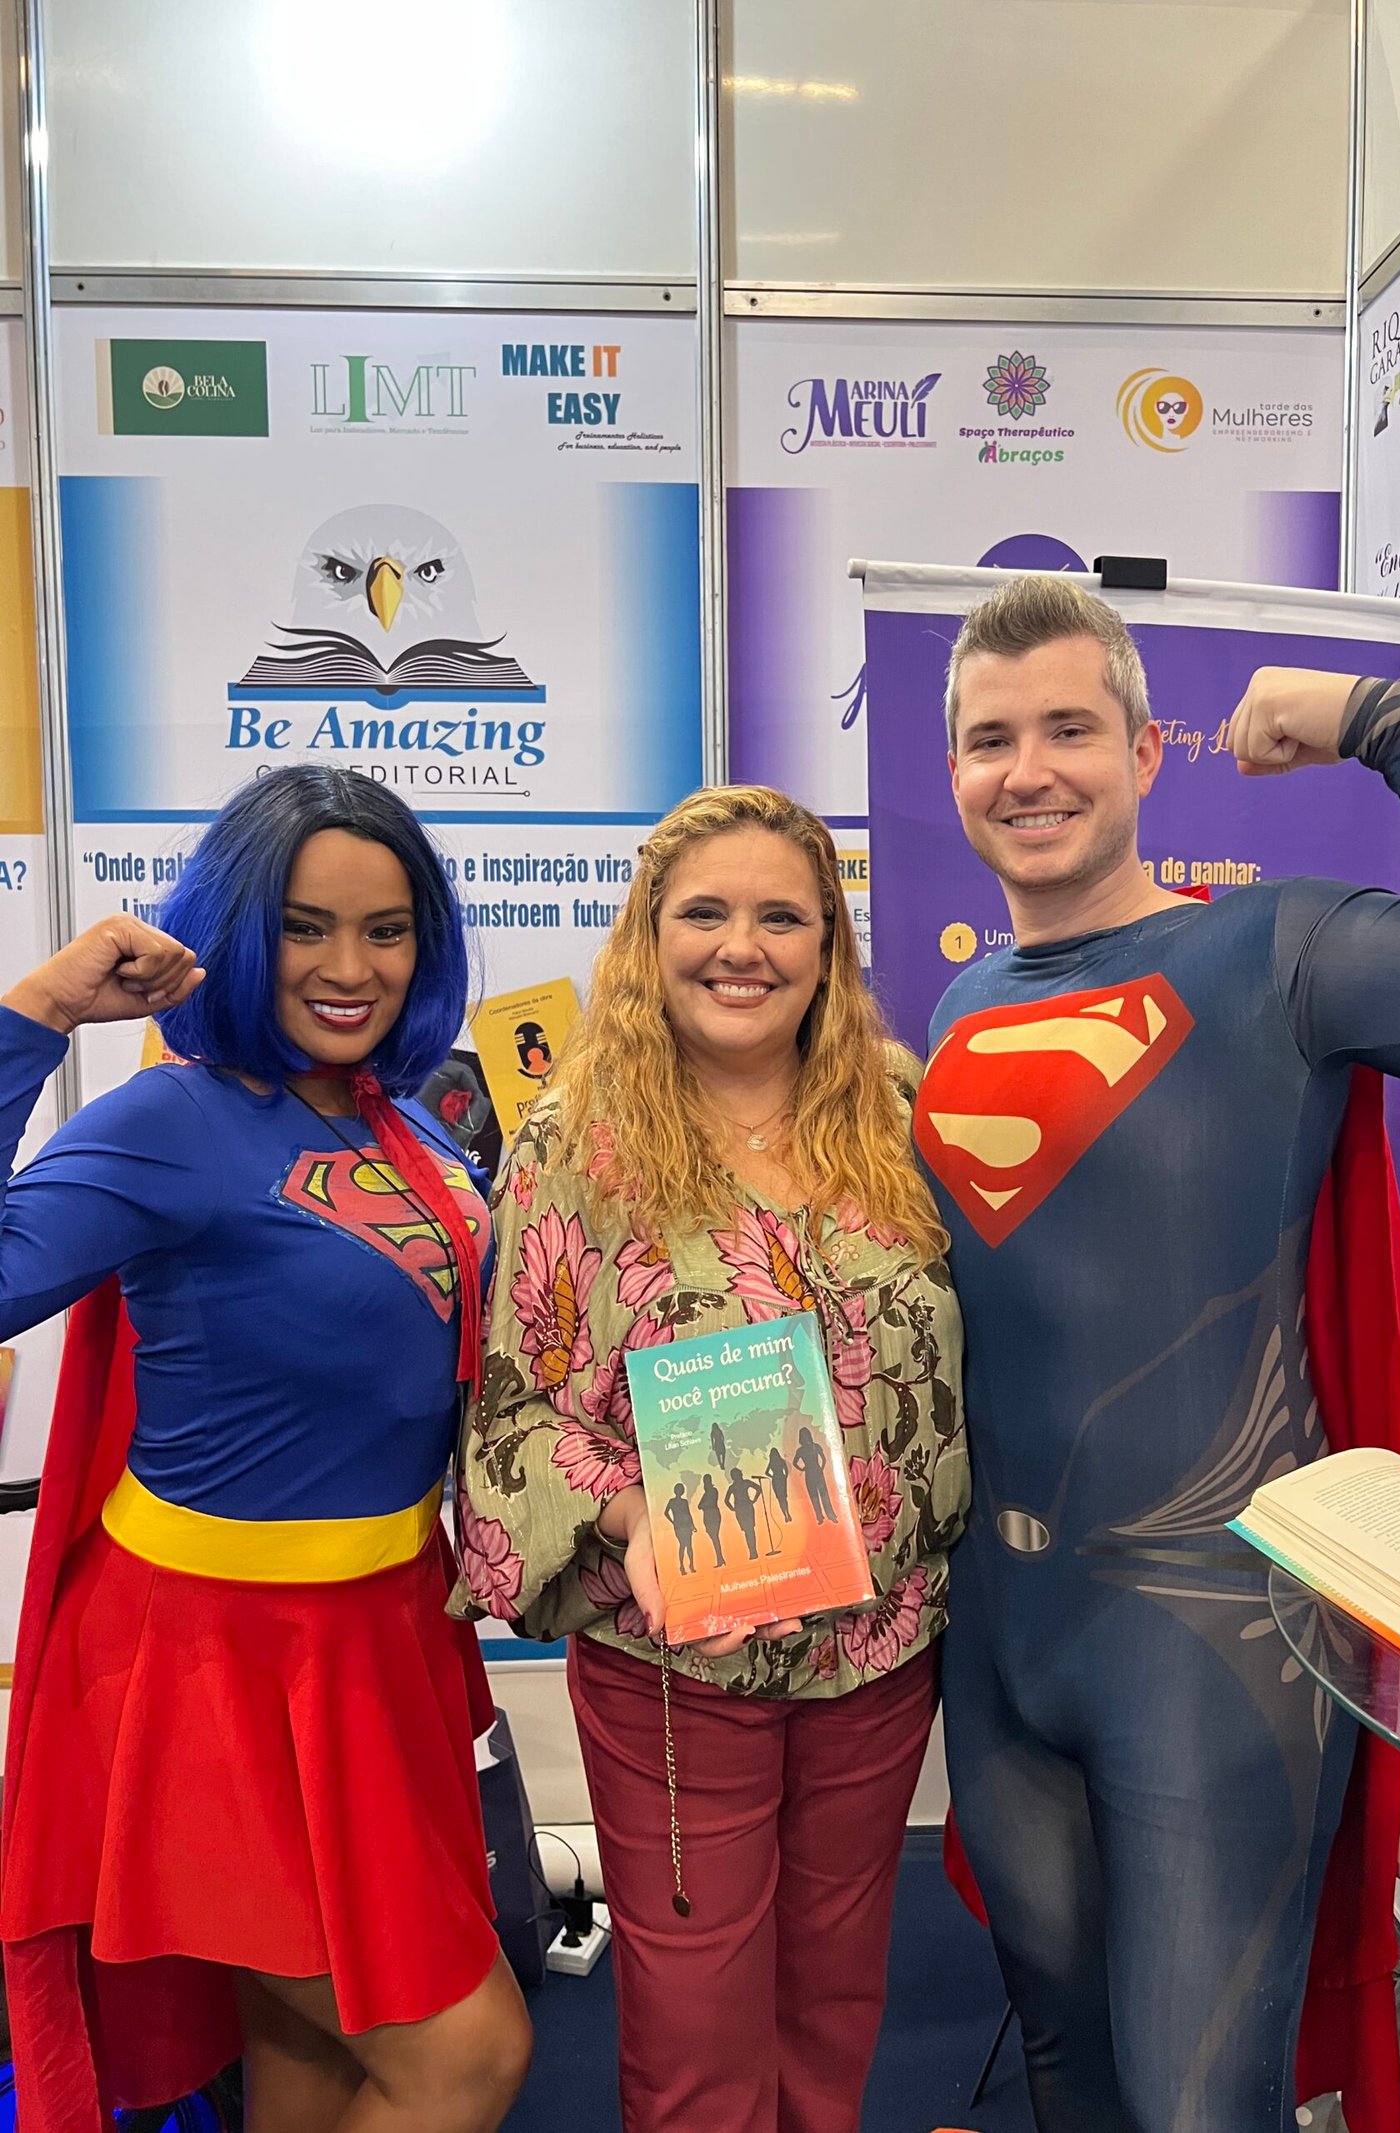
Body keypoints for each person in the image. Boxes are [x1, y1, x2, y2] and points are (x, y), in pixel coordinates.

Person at [919, 575, 1400, 2133]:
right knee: (1069, 2073)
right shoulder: (960, 1002)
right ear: (952, 768)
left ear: (1147, 750)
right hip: (1000, 1636)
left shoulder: (1275, 949)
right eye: (992, 739)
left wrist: (1387, 723)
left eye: (1070, 728)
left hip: (1212, 1629)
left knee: (1199, 2102)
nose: (1029, 770)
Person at [0, 767, 532, 2133]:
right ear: (240, 929)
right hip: (209, 1664)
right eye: (305, 927)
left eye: (386, 929)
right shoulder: (175, 1120)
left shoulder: (397, 1113)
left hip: (381, 1639)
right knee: (466, 2054)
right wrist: (35, 1014)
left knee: (313, 2056)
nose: (350, 968)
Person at [452, 784, 969, 2133]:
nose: (744, 946)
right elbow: (514, 1411)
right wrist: (635, 1518)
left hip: (880, 1652)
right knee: (697, 2033)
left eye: (782, 916)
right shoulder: (578, 1142)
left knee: (835, 2001)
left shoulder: (897, 1112)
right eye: (707, 913)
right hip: (682, 1666)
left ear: (829, 943)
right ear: (650, 932)